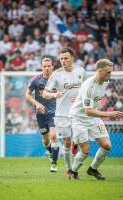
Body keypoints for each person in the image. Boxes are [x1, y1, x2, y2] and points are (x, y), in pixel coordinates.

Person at [69, 59, 123, 180]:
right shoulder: (89, 86)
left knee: (107, 145)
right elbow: (87, 111)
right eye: (107, 72)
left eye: (111, 72)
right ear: (99, 71)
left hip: (94, 117)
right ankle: (73, 172)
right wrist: (110, 114)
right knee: (86, 149)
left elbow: (92, 105)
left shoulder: (105, 82)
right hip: (79, 118)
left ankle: (92, 169)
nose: (110, 75)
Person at [42, 48, 87, 176]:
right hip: (62, 114)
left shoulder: (81, 71)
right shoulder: (56, 74)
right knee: (66, 141)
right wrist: (55, 94)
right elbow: (44, 93)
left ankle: (75, 143)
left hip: (79, 112)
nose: (63, 61)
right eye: (61, 58)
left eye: (66, 58)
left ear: (72, 58)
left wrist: (81, 97)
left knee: (79, 140)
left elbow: (88, 89)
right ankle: (69, 169)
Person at [25, 56, 59, 172]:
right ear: (41, 67)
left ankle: (54, 164)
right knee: (45, 139)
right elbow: (27, 94)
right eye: (44, 66)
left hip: (54, 112)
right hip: (40, 113)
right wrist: (37, 104)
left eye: (49, 66)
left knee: (54, 136)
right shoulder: (36, 80)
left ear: (52, 67)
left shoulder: (57, 79)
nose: (47, 68)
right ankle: (50, 152)